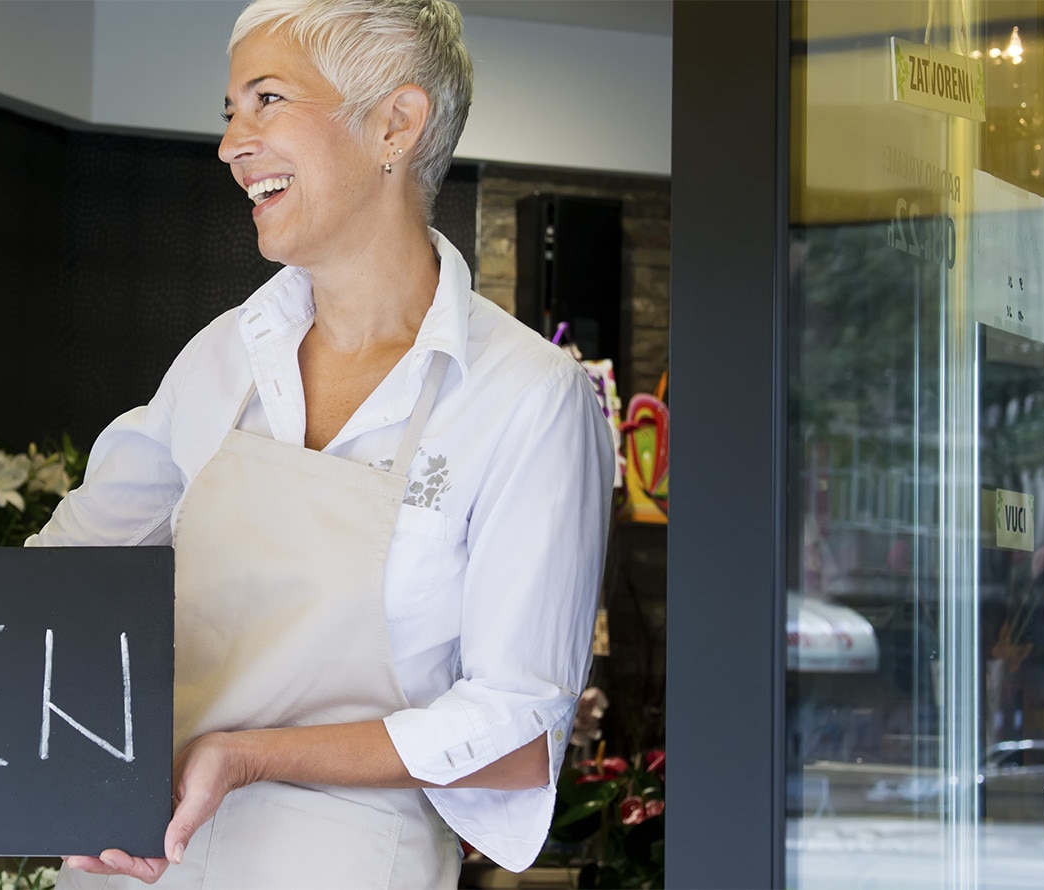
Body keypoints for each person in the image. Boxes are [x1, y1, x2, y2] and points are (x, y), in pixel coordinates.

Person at [33, 0, 614, 886]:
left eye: (267, 100)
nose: (232, 144)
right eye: (229, 112)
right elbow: (64, 573)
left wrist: (251, 755)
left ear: (395, 123)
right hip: (137, 861)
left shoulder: (526, 397)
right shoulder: (223, 357)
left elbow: (516, 736)